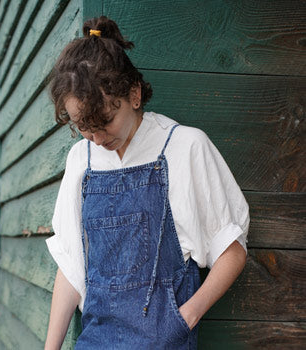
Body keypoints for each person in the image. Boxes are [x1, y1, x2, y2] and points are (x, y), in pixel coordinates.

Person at [44, 15, 249, 350]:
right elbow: (70, 264)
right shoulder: (82, 159)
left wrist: (184, 320)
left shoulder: (185, 148)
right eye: (84, 126)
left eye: (105, 121)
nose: (95, 137)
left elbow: (232, 251)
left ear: (134, 94)